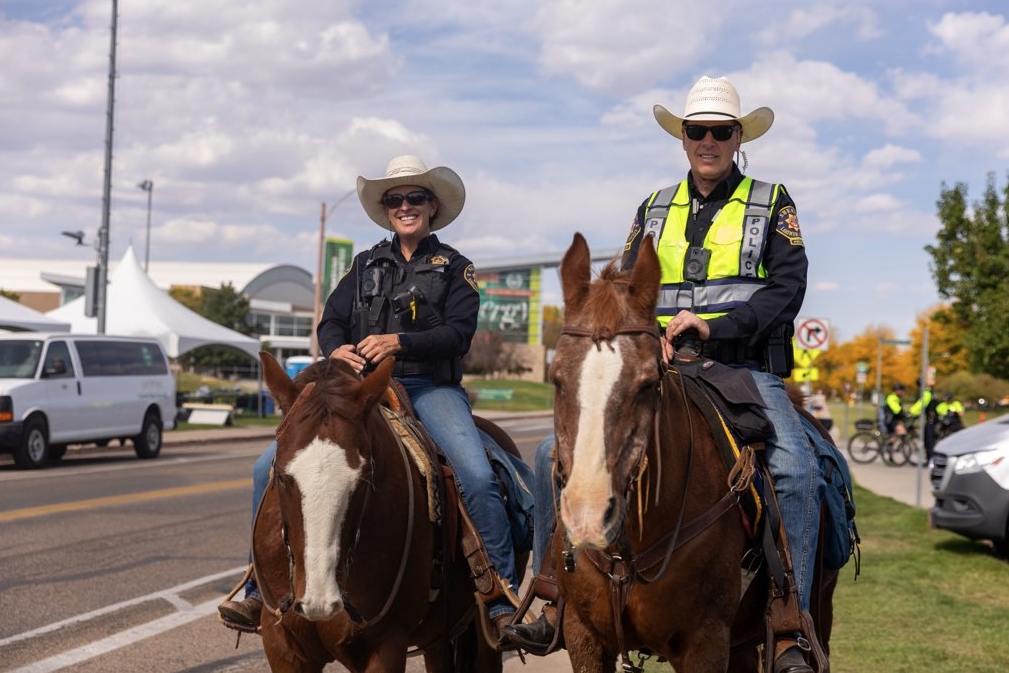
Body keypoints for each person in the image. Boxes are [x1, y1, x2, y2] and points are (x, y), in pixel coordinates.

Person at [505, 76, 821, 673]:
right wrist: (645, 341)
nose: (708, 141)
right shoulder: (651, 208)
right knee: (553, 450)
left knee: (798, 470)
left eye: (720, 131)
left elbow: (788, 289)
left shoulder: (773, 201)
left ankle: (790, 624)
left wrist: (713, 326)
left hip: (744, 367)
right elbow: (624, 290)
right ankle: (551, 593)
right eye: (697, 130)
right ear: (682, 138)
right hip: (661, 365)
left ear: (737, 138)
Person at [218, 155, 520, 638]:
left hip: (429, 386)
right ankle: (258, 585)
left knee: (478, 474)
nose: (405, 206)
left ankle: (501, 592)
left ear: (432, 206)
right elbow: (331, 319)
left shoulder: (455, 268)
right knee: (265, 467)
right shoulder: (364, 265)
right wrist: (337, 346)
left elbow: (459, 334)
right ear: (386, 210)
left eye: (414, 198)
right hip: (359, 391)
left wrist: (400, 342)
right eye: (395, 200)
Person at [909, 378, 938, 459]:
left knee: (929, 439)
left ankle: (931, 458)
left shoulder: (927, 392)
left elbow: (922, 404)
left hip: (932, 418)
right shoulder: (928, 391)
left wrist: (911, 412)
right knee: (927, 437)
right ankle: (929, 457)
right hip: (931, 417)